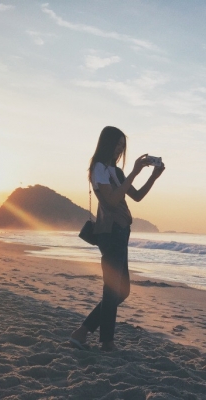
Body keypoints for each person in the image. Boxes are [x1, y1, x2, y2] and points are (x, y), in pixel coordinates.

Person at [70, 126, 165, 352]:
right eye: (117, 145)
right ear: (107, 144)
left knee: (121, 291)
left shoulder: (116, 172)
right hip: (110, 233)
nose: (119, 150)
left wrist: (153, 175)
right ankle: (106, 341)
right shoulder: (99, 169)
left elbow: (138, 196)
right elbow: (111, 201)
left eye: (123, 147)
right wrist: (134, 172)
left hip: (121, 233)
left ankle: (83, 332)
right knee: (113, 289)